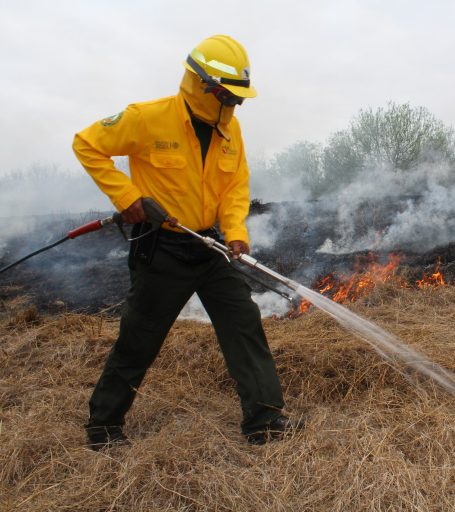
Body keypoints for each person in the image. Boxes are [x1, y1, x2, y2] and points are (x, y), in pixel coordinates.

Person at [73, 34, 302, 450]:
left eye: (239, 99)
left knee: (243, 323)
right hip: (161, 249)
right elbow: (86, 144)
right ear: (202, 84)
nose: (234, 106)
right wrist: (127, 197)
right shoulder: (148, 118)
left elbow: (235, 187)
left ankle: (264, 421)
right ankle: (103, 427)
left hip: (208, 247)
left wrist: (236, 232)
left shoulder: (230, 131)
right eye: (228, 96)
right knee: (139, 338)